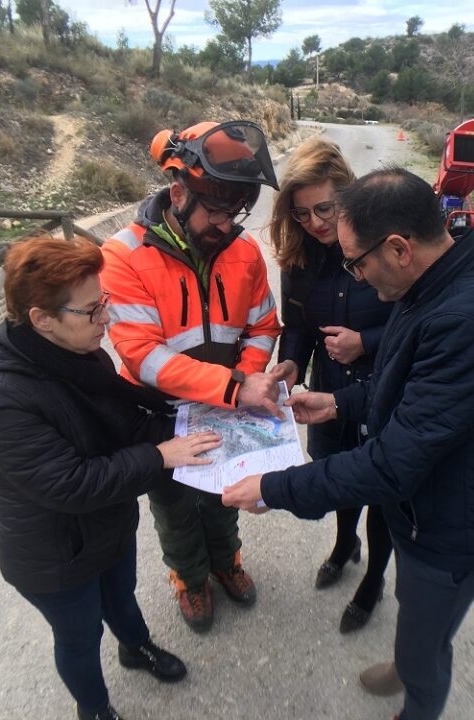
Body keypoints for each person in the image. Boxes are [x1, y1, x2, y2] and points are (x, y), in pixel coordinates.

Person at [223, 167, 474, 720]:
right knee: (412, 605)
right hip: (424, 511)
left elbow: (392, 464)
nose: (356, 277)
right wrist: (338, 404)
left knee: (427, 647)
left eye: (357, 262)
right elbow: (406, 386)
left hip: (452, 532)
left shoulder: (470, 318)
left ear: (398, 247)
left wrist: (275, 487)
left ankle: (415, 692)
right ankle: (407, 658)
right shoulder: (435, 283)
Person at [0, 235, 222, 720]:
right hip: (54, 554)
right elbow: (69, 485)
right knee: (80, 636)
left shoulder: (81, 354)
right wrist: (160, 455)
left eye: (104, 303)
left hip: (106, 524)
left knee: (121, 597)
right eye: (92, 311)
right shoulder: (0, 398)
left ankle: (136, 647)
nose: (107, 319)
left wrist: (199, 428)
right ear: (41, 319)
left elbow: (119, 418)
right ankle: (95, 708)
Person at [100, 120, 283, 633]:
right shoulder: (123, 257)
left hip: (224, 407)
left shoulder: (243, 252)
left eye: (236, 212)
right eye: (216, 211)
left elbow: (263, 324)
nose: (227, 225)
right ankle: (190, 578)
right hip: (159, 415)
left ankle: (227, 562)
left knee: (225, 496)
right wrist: (234, 387)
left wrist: (246, 379)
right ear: (179, 192)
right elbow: (143, 357)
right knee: (175, 507)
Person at [268, 136, 393, 633]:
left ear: (348, 193)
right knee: (341, 477)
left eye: (325, 208)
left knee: (385, 489)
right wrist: (292, 364)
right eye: (301, 214)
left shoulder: (386, 241)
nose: (315, 223)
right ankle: (345, 546)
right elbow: (296, 326)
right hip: (329, 390)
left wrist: (367, 341)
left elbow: (422, 322)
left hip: (386, 389)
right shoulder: (298, 257)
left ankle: (374, 579)